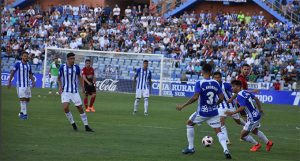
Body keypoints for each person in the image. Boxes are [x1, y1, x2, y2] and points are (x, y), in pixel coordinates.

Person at [176, 64, 231, 159]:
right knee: (218, 131)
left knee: (189, 124)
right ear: (211, 73)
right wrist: (215, 105)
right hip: (214, 112)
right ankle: (226, 150)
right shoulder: (216, 83)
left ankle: (191, 148)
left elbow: (195, 97)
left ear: (202, 72)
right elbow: (221, 98)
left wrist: (183, 106)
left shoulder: (200, 83)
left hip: (202, 112)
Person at [226, 80, 273, 152]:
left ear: (238, 87)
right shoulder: (245, 92)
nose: (232, 88)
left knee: (243, 136)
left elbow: (243, 107)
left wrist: (232, 113)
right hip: (256, 114)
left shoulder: (240, 96)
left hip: (252, 118)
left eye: (233, 86)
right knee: (255, 131)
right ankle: (268, 143)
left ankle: (257, 145)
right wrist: (260, 109)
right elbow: (256, 98)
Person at [58, 53, 94, 132]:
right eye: (71, 59)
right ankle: (73, 124)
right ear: (67, 59)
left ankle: (86, 126)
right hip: (65, 91)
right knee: (65, 108)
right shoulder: (62, 67)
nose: (73, 60)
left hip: (74, 91)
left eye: (73, 59)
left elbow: (80, 78)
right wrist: (60, 86)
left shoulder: (76, 67)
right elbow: (59, 78)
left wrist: (83, 88)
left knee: (80, 108)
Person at [213, 71, 246, 145]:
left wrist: (232, 99)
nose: (217, 79)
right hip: (221, 107)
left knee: (238, 122)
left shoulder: (226, 85)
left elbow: (237, 91)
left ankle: (247, 125)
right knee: (221, 122)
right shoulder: (213, 85)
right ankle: (226, 140)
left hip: (231, 106)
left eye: (218, 77)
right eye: (215, 78)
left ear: (221, 78)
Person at [8, 52, 36, 120]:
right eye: (24, 56)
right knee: (23, 99)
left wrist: (33, 81)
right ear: (22, 57)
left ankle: (21, 112)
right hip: (20, 85)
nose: (26, 57)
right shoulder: (18, 64)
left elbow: (30, 74)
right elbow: (13, 72)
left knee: (27, 99)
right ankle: (25, 115)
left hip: (27, 85)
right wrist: (9, 81)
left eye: (26, 56)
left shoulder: (28, 65)